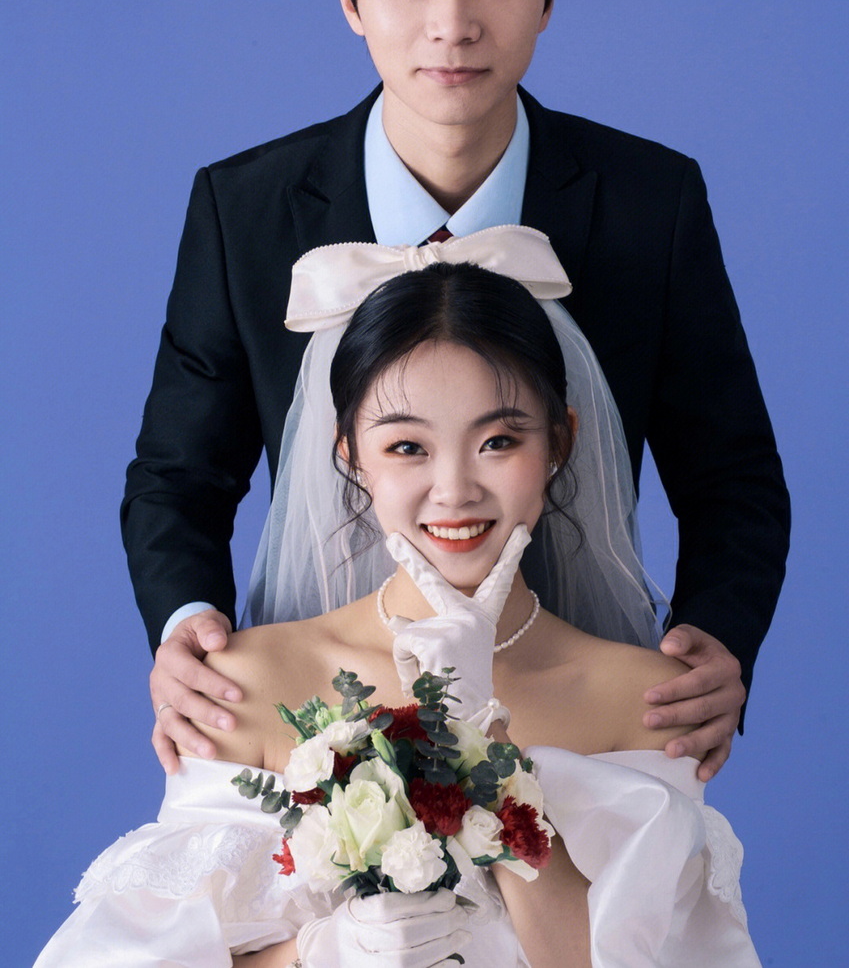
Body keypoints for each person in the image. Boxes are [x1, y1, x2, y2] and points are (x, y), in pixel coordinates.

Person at [126, 0, 789, 782]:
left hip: (579, 719)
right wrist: (187, 627)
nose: (452, 24)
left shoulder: (651, 200)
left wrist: (718, 635)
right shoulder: (246, 208)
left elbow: (733, 473)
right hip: (316, 718)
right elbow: (175, 475)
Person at [38, 242, 762, 966]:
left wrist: (485, 756)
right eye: (407, 447)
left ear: (559, 443)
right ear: (350, 454)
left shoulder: (645, 700)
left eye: (499, 440)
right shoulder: (247, 683)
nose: (454, 490)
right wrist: (316, 951)